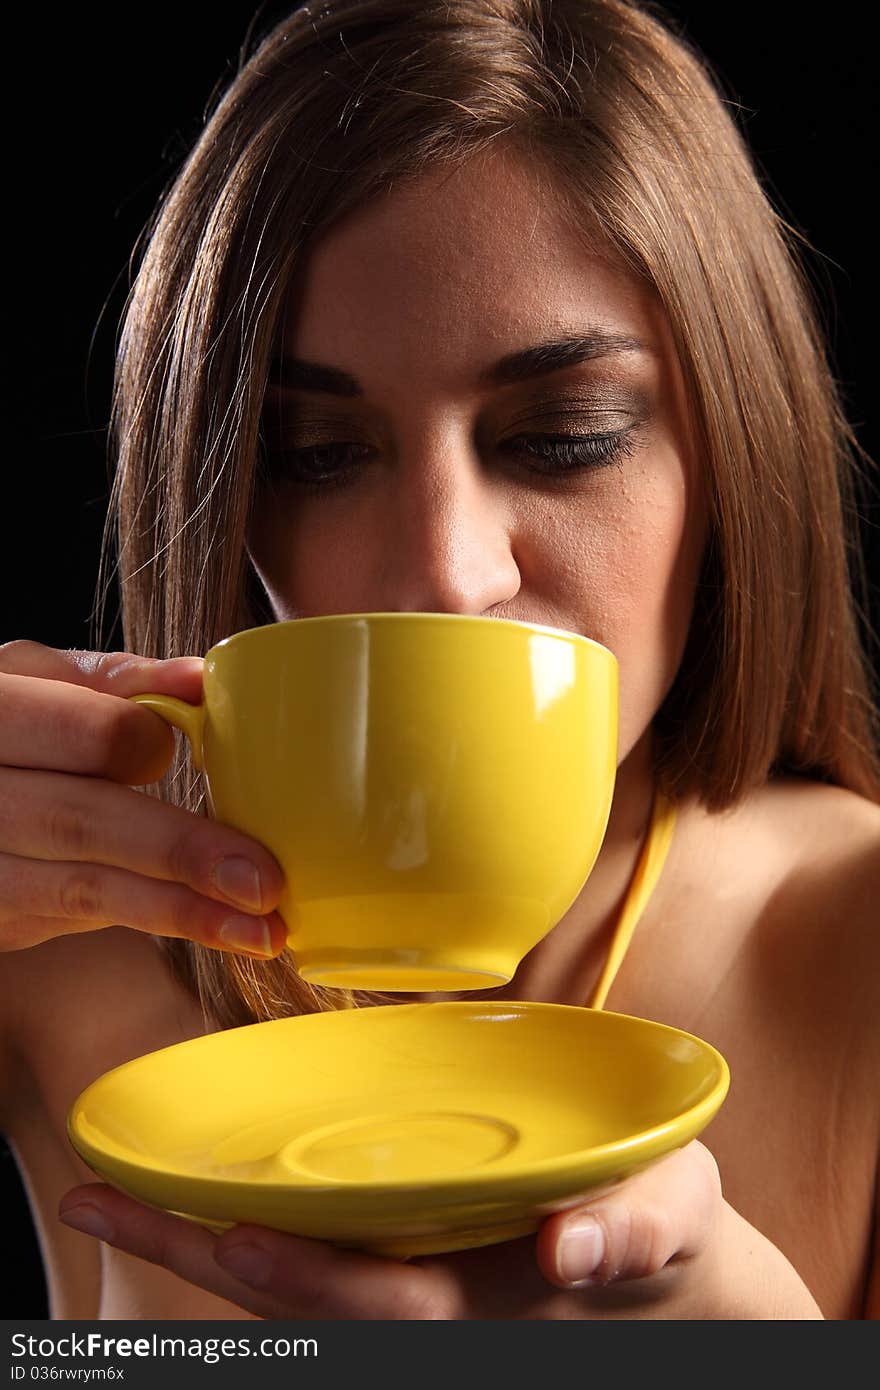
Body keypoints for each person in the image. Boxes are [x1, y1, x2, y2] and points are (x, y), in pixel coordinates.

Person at [2, 0, 878, 1321]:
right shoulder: (62, 938)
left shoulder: (856, 947)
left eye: (565, 434)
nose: (448, 571)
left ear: (730, 457)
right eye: (317, 454)